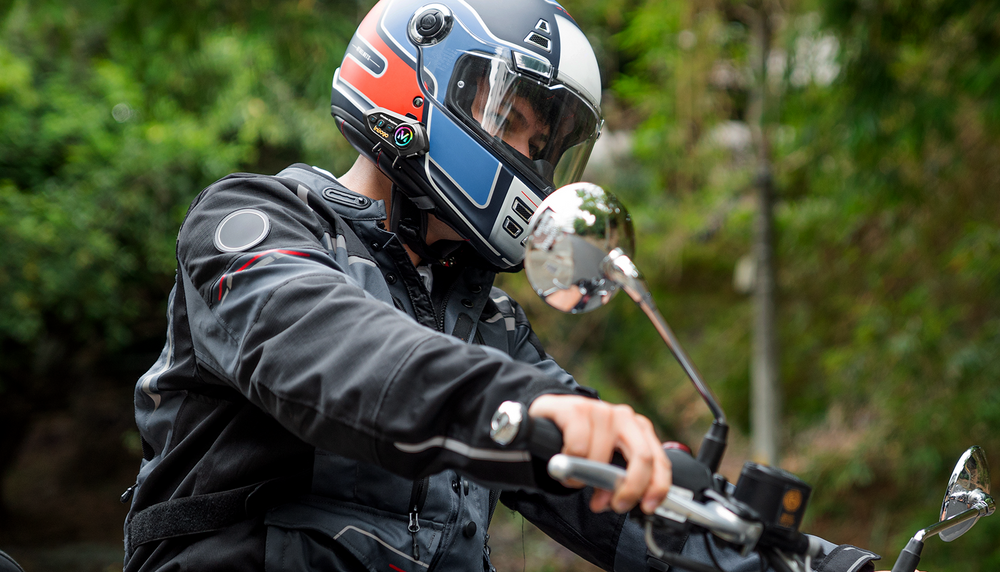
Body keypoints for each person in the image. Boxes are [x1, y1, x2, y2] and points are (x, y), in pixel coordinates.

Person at [121, 0, 881, 570]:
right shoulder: (252, 222)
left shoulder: (481, 317)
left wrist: (794, 556)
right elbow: (336, 355)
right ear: (416, 79)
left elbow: (612, 495)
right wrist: (517, 408)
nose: (526, 158)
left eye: (542, 145)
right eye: (509, 120)